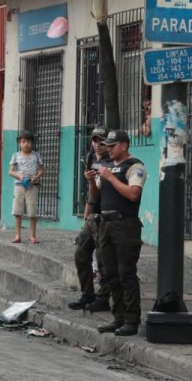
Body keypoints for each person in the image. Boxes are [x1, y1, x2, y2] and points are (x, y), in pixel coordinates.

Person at [91, 129, 147, 337]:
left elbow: (133, 194)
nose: (108, 149)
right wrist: (91, 180)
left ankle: (132, 320)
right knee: (110, 273)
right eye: (107, 145)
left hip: (125, 225)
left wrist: (111, 178)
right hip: (105, 224)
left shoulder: (135, 167)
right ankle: (119, 318)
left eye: (112, 145)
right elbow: (97, 193)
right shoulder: (107, 167)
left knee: (126, 273)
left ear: (124, 145)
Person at [70, 127, 112, 312]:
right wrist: (86, 215)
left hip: (107, 214)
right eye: (95, 140)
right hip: (93, 213)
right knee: (81, 252)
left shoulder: (112, 162)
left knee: (104, 260)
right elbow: (92, 192)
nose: (97, 145)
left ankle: (103, 298)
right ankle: (87, 294)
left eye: (101, 141)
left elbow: (101, 189)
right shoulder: (90, 157)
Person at [9, 130, 44, 244]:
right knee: (17, 212)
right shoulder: (15, 155)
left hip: (32, 186)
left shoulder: (36, 155)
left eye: (29, 141)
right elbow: (10, 172)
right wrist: (19, 176)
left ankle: (33, 236)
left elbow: (42, 170)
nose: (26, 144)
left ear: (32, 143)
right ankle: (17, 235)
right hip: (19, 186)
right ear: (20, 143)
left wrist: (35, 177)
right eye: (23, 141)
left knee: (32, 212)